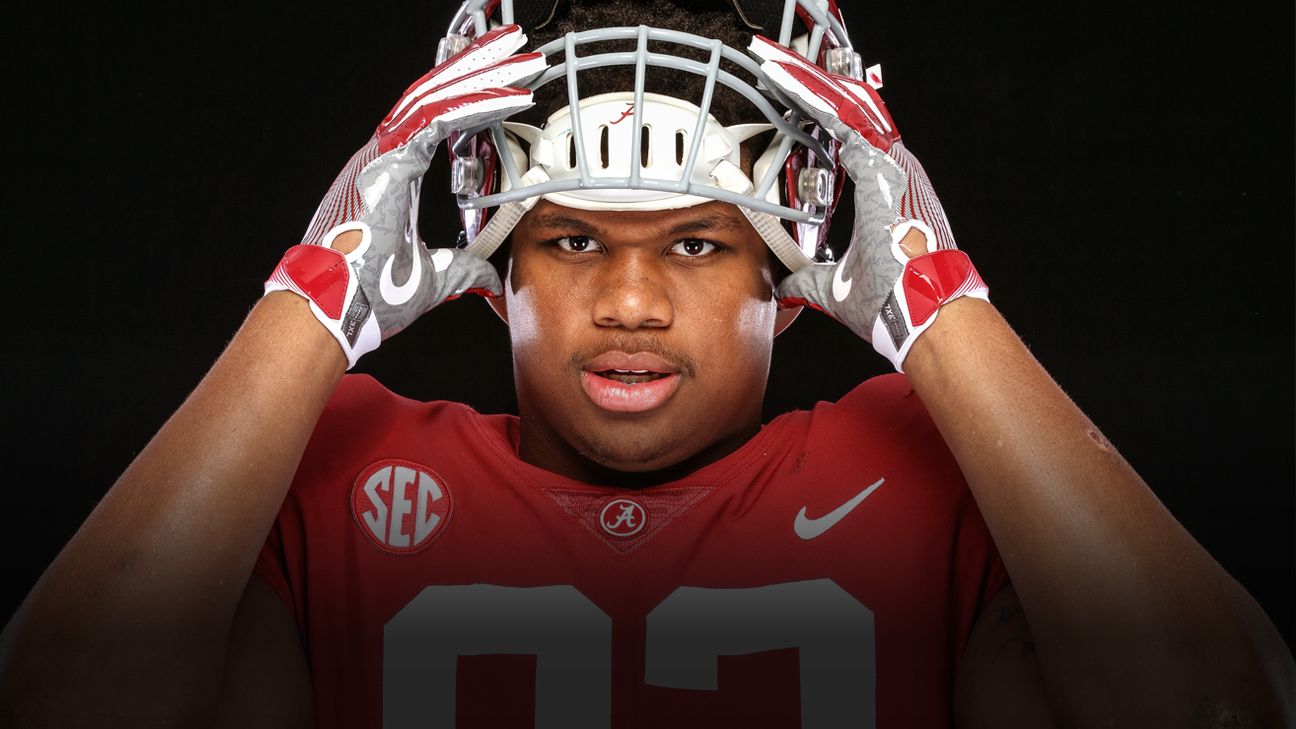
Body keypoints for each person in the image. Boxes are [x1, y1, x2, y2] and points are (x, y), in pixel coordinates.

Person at [1, 0, 1292, 727]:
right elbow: (64, 700)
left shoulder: (936, 464)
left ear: (789, 269)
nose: (627, 300)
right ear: (490, 253)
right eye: (569, 237)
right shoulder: (336, 456)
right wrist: (315, 293)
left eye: (694, 240)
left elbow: (1214, 706)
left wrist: (936, 302)